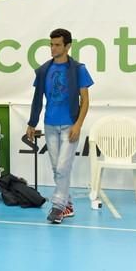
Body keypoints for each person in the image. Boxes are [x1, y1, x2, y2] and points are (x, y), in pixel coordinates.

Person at [26, 28, 93, 224]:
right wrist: (32, 123)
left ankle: (57, 208)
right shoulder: (44, 70)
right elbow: (37, 99)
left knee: (63, 167)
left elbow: (85, 100)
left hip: (70, 125)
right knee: (57, 168)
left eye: (57, 45)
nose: (53, 48)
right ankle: (68, 204)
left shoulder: (78, 69)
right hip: (50, 125)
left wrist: (78, 125)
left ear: (67, 46)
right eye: (51, 44)